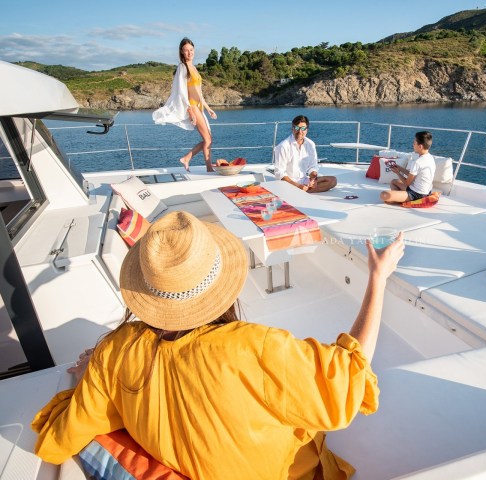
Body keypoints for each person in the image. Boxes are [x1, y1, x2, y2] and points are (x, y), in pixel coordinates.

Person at [32, 211, 405, 479]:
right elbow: (350, 376)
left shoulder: (115, 352)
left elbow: (58, 440)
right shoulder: (254, 349)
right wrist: (378, 278)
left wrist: (87, 378)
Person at [152, 38, 217, 172]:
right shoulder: (183, 67)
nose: (189, 53)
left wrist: (208, 108)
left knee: (209, 139)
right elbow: (182, 92)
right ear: (181, 52)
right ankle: (208, 168)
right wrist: (190, 111)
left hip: (199, 107)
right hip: (192, 107)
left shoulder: (194, 68)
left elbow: (199, 92)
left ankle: (187, 158)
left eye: (191, 50)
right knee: (208, 139)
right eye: (186, 50)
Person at [274, 115, 337, 192]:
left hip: (303, 181)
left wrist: (313, 179)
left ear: (307, 130)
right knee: (293, 186)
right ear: (292, 129)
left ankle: (302, 191)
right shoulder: (283, 146)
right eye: (297, 128)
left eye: (303, 128)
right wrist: (297, 186)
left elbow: (313, 166)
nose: (300, 131)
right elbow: (279, 173)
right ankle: (301, 191)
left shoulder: (310, 144)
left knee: (333, 180)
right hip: (288, 183)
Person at [380, 131, 436, 204]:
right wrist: (400, 168)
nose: (413, 145)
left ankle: (401, 199)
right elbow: (412, 175)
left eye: (414, 143)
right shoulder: (430, 158)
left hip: (416, 194)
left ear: (420, 146)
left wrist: (398, 173)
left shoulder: (417, 162)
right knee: (393, 182)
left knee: (384, 195)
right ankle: (400, 197)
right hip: (426, 192)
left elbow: (407, 183)